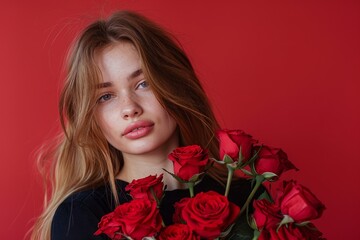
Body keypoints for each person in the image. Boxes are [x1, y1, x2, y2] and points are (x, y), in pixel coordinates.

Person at [31, 10, 256, 240]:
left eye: (143, 83)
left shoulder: (247, 198)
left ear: (177, 84)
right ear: (91, 117)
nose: (130, 108)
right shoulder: (81, 215)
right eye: (105, 97)